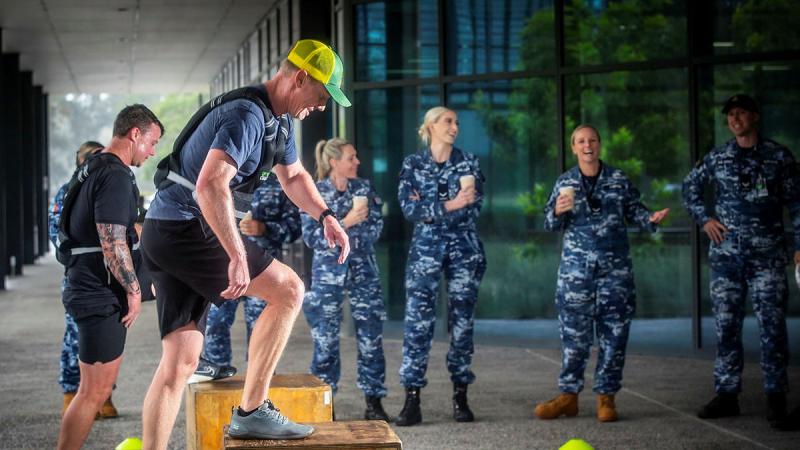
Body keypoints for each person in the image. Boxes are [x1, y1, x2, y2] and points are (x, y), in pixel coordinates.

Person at [140, 39, 351, 447]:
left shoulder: (278, 122)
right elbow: (210, 185)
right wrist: (236, 254)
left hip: (165, 230)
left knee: (180, 362)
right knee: (289, 290)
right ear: (300, 78)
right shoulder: (247, 115)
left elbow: (294, 177)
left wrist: (326, 216)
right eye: (322, 96)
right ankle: (253, 412)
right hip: (186, 227)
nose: (322, 107)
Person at [535, 124, 669, 423]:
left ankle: (606, 398)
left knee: (614, 335)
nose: (587, 145)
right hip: (576, 275)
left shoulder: (618, 179)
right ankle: (568, 397)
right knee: (574, 337)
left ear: (599, 145)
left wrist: (651, 219)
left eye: (592, 140)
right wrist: (557, 211)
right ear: (573, 147)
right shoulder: (565, 181)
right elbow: (549, 224)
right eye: (581, 141)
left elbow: (635, 211)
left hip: (614, 273)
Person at [682, 94, 800, 424]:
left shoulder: (778, 156)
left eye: (742, 113)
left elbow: (797, 202)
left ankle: (776, 396)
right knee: (726, 327)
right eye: (731, 114)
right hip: (727, 259)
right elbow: (690, 188)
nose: (735, 119)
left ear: (755, 117)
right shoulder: (718, 157)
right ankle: (726, 394)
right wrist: (705, 219)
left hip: (767, 258)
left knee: (772, 328)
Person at [57, 105, 162, 449]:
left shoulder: (94, 166)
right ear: (135, 134)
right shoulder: (115, 174)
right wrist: (134, 291)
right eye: (152, 142)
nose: (152, 152)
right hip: (97, 293)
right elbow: (112, 240)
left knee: (94, 390)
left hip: (87, 286)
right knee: (93, 392)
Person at [395, 106, 486, 426]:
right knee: (417, 324)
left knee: (462, 323)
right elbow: (409, 209)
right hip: (425, 253)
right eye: (448, 121)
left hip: (464, 250)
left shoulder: (469, 162)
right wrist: (452, 203)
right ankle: (412, 400)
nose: (454, 126)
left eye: (457, 122)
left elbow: (473, 209)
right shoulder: (413, 164)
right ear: (431, 126)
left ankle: (461, 397)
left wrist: (433, 209)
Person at [301, 138, 389, 421]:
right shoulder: (314, 192)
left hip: (364, 272)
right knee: (325, 341)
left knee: (371, 338)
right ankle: (325, 405)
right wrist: (346, 222)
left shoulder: (364, 188)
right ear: (333, 162)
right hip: (328, 277)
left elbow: (376, 228)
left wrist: (344, 231)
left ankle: (374, 402)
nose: (357, 162)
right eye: (351, 158)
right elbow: (312, 237)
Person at [196, 172, 301, 381]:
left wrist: (265, 229)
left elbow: (295, 227)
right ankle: (217, 380)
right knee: (215, 325)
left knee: (263, 328)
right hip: (224, 267)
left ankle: (260, 384)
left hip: (264, 270)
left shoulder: (278, 183)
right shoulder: (219, 176)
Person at [49, 141, 120, 419]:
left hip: (109, 275)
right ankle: (71, 393)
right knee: (75, 335)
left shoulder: (111, 186)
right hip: (80, 274)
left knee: (110, 336)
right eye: (89, 157)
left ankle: (104, 394)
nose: (95, 161)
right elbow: (57, 235)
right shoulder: (68, 190)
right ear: (79, 161)